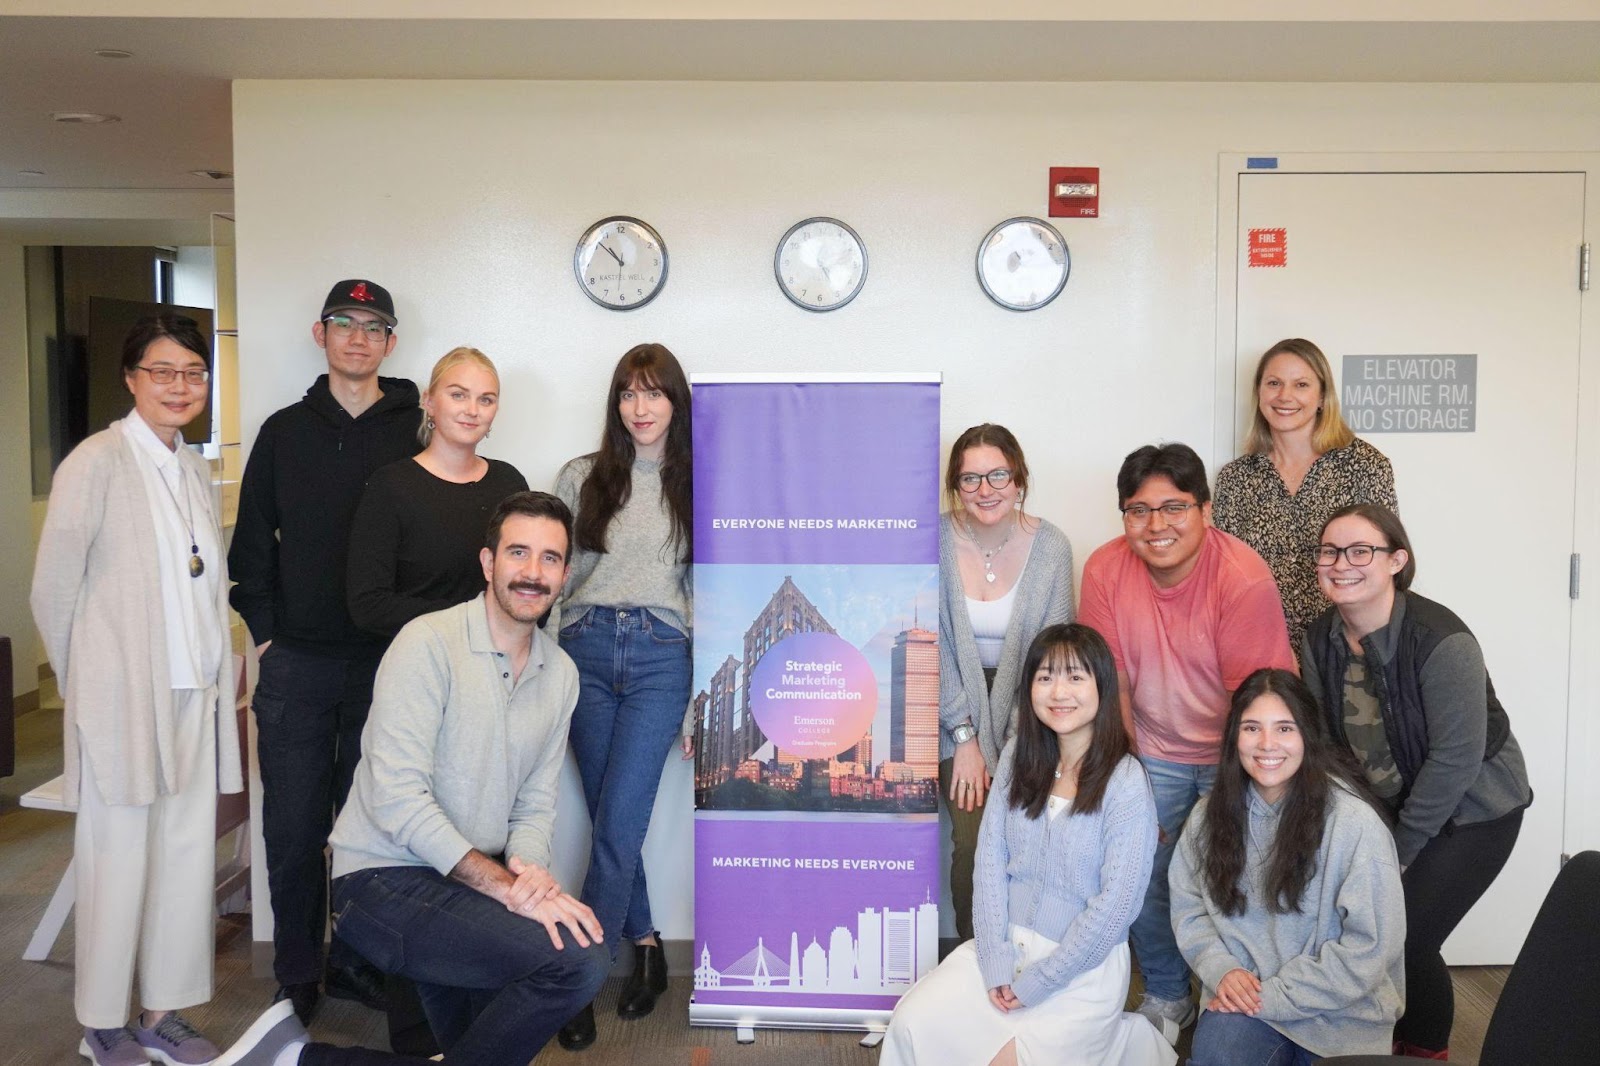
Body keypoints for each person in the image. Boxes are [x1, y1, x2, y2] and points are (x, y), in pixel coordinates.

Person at [217, 492, 610, 1066]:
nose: (532, 572)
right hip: (381, 880)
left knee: (486, 1035)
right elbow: (398, 799)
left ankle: (290, 1059)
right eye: (518, 553)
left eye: (550, 558)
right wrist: (504, 889)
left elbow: (533, 804)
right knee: (580, 961)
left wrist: (529, 879)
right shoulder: (427, 643)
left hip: (461, 884)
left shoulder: (562, 674)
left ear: (565, 574)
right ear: (487, 563)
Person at [31, 315, 241, 1066]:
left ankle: (163, 1011)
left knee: (185, 859)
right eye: (163, 371)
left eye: (193, 372)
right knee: (117, 859)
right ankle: (102, 1024)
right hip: (122, 703)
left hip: (193, 694)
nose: (180, 386)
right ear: (131, 378)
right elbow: (52, 593)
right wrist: (92, 685)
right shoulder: (96, 462)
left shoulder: (191, 465)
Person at [228, 280, 421, 1022]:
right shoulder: (283, 432)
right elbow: (250, 549)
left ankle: (364, 964)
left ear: (390, 342)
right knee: (295, 828)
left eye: (374, 326)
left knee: (377, 830)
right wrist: (270, 637)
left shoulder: (417, 429)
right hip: (299, 665)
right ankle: (299, 973)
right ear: (321, 334)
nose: (358, 337)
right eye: (345, 322)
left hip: (389, 665)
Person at [1075, 442, 1296, 1044]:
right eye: (1138, 510)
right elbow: (1110, 681)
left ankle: (1239, 998)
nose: (1156, 525)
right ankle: (1170, 995)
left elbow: (1259, 703)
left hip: (1241, 750)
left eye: (1174, 507)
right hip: (1151, 748)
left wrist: (1237, 787)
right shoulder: (1104, 568)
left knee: (1238, 876)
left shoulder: (1241, 575)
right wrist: (1129, 777)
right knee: (1142, 868)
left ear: (1205, 508)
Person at [881, 623, 1174, 1066]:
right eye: (1045, 677)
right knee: (911, 1022)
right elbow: (991, 863)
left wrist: (1040, 981)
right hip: (1003, 946)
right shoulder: (1020, 756)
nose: (1059, 692)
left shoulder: (1126, 781)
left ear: (1102, 688)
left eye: (1076, 677)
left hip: (1080, 967)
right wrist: (995, 959)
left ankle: (1128, 1043)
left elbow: (1117, 907)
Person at [1303, 503, 1532, 1059]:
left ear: (1396, 561)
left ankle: (1425, 1053)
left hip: (1475, 811)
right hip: (1388, 807)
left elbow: (1455, 760)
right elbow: (1326, 744)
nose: (1342, 563)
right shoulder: (1318, 639)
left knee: (1408, 936)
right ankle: (1378, 1039)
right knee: (1365, 927)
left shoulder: (1442, 640)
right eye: (1330, 551)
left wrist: (1398, 849)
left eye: (1362, 551)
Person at [551, 342, 694, 1051]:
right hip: (581, 649)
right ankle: (643, 946)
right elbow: (556, 573)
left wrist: (700, 700)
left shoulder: (700, 483)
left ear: (676, 402)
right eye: (628, 395)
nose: (640, 409)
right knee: (615, 818)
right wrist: (537, 668)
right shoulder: (583, 476)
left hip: (662, 657)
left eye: (654, 394)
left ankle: (571, 980)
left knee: (617, 822)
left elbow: (706, 595)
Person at [1170, 668, 1406, 1064]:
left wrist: (1274, 997)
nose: (1267, 744)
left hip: (1340, 1014)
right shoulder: (1206, 817)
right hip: (1245, 1004)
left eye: (1284, 729)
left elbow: (1371, 948)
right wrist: (1220, 969)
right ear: (1234, 737)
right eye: (1251, 728)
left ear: (1307, 736)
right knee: (1216, 1051)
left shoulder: (1354, 823)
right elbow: (1189, 908)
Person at [938, 423, 1074, 941]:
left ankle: (1025, 955)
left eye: (997, 474)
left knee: (1027, 836)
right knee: (974, 840)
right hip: (949, 706)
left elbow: (1050, 658)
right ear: (955, 487)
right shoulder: (935, 539)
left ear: (1018, 479)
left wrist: (1019, 745)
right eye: (969, 479)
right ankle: (974, 963)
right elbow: (931, 643)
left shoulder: (1052, 546)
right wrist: (965, 737)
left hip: (1030, 709)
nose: (985, 489)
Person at [1213, 338, 1398, 659]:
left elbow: (1384, 563)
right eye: (1274, 383)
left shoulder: (1366, 465)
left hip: (1349, 649)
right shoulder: (1235, 478)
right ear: (1259, 393)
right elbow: (1224, 577)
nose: (1285, 396)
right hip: (1261, 651)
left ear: (1322, 396)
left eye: (1301, 384)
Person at [347, 346, 527, 639]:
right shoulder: (391, 487)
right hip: (419, 662)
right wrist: (475, 617)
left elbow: (522, 578)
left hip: (497, 662)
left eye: (486, 400)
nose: (472, 410)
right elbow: (369, 605)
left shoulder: (509, 482)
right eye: (458, 395)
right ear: (429, 401)